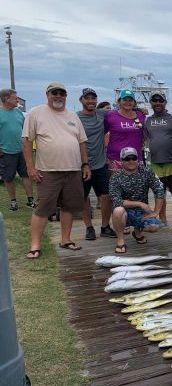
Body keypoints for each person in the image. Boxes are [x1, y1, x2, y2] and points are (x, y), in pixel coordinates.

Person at [22, 82, 91, 259]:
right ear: (47, 95)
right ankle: (35, 244)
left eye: (62, 93)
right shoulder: (35, 113)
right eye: (55, 93)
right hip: (48, 171)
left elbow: (82, 142)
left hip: (73, 169)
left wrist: (85, 164)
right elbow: (27, 141)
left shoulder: (73, 116)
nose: (58, 96)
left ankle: (65, 239)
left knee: (69, 206)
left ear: (66, 96)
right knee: (43, 208)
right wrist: (30, 166)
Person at [76, 87, 117, 240]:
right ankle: (89, 227)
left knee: (106, 195)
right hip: (81, 164)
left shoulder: (102, 114)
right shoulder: (75, 118)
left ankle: (105, 226)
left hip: (100, 164)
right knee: (83, 197)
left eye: (93, 98)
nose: (90, 101)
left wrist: (140, 110)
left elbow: (121, 111)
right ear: (81, 100)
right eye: (87, 98)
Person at [144, 90, 172, 235]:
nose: (157, 103)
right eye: (154, 101)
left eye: (160, 100)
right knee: (158, 194)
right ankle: (162, 220)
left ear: (165, 102)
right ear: (151, 103)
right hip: (155, 163)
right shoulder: (147, 119)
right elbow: (144, 139)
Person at [109, 147, 163, 253]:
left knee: (155, 226)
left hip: (141, 212)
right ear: (121, 161)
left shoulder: (147, 172)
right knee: (118, 210)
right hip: (124, 211)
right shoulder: (115, 177)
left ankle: (137, 232)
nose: (131, 161)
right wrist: (139, 204)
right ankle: (120, 241)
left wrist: (156, 211)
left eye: (134, 158)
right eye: (127, 159)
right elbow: (116, 200)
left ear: (137, 159)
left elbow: (159, 189)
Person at [0, 88, 35, 210]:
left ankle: (30, 200)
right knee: (8, 177)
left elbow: (26, 130)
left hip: (22, 151)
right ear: (6, 99)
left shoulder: (18, 113)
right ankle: (13, 201)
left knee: (26, 175)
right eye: (15, 98)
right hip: (6, 152)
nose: (17, 100)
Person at [103, 90, 145, 172]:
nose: (127, 102)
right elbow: (102, 133)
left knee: (137, 185)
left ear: (134, 103)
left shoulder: (140, 115)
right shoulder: (110, 115)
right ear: (119, 101)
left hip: (135, 160)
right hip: (115, 159)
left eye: (130, 100)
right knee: (116, 184)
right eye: (125, 100)